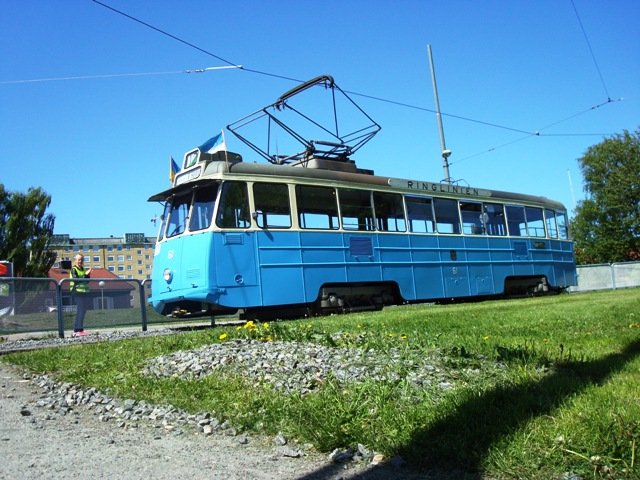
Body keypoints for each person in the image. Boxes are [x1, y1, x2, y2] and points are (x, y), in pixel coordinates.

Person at [69, 254, 92, 337]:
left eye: (82, 260)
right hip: (76, 291)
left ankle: (80, 330)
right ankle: (76, 330)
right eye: (79, 260)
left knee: (83, 310)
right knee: (81, 310)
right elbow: (77, 280)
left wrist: (88, 275)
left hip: (84, 291)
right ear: (75, 260)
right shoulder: (73, 269)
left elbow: (86, 281)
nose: (80, 261)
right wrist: (85, 275)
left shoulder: (83, 269)